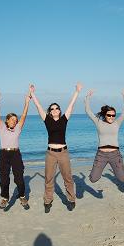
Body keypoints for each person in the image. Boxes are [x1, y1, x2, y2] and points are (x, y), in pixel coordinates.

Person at [29, 83, 82, 213]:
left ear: (59, 110)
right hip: (51, 153)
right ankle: (48, 201)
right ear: (50, 111)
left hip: (63, 153)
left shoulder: (64, 119)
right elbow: (38, 106)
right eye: (52, 108)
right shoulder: (47, 120)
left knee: (68, 178)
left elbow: (71, 105)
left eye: (56, 108)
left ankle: (71, 199)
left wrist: (77, 92)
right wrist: (32, 93)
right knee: (49, 178)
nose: (54, 109)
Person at [0, 88, 30, 211]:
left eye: (15, 119)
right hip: (3, 154)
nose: (14, 121)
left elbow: (24, 115)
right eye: (12, 119)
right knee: (4, 178)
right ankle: (4, 198)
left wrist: (27, 101)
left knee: (19, 177)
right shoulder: (2, 127)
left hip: (15, 154)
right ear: (7, 120)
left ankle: (22, 196)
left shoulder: (18, 128)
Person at [85, 89, 124, 184]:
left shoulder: (117, 123)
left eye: (113, 115)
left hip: (115, 154)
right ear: (105, 115)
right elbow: (88, 111)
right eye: (109, 115)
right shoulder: (98, 123)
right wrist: (88, 98)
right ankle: (96, 170)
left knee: (123, 179)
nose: (111, 117)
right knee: (93, 179)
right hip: (101, 155)